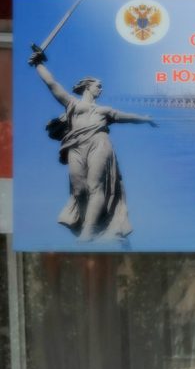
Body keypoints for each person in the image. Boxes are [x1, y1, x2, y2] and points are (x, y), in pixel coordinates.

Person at [27, 39, 153, 241]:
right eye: (98, 86)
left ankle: (89, 230)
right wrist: (38, 64)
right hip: (76, 146)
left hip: (99, 143)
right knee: (79, 189)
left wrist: (145, 119)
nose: (101, 89)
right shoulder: (72, 104)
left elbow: (125, 116)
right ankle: (87, 223)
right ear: (88, 86)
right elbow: (52, 84)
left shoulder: (104, 111)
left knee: (95, 185)